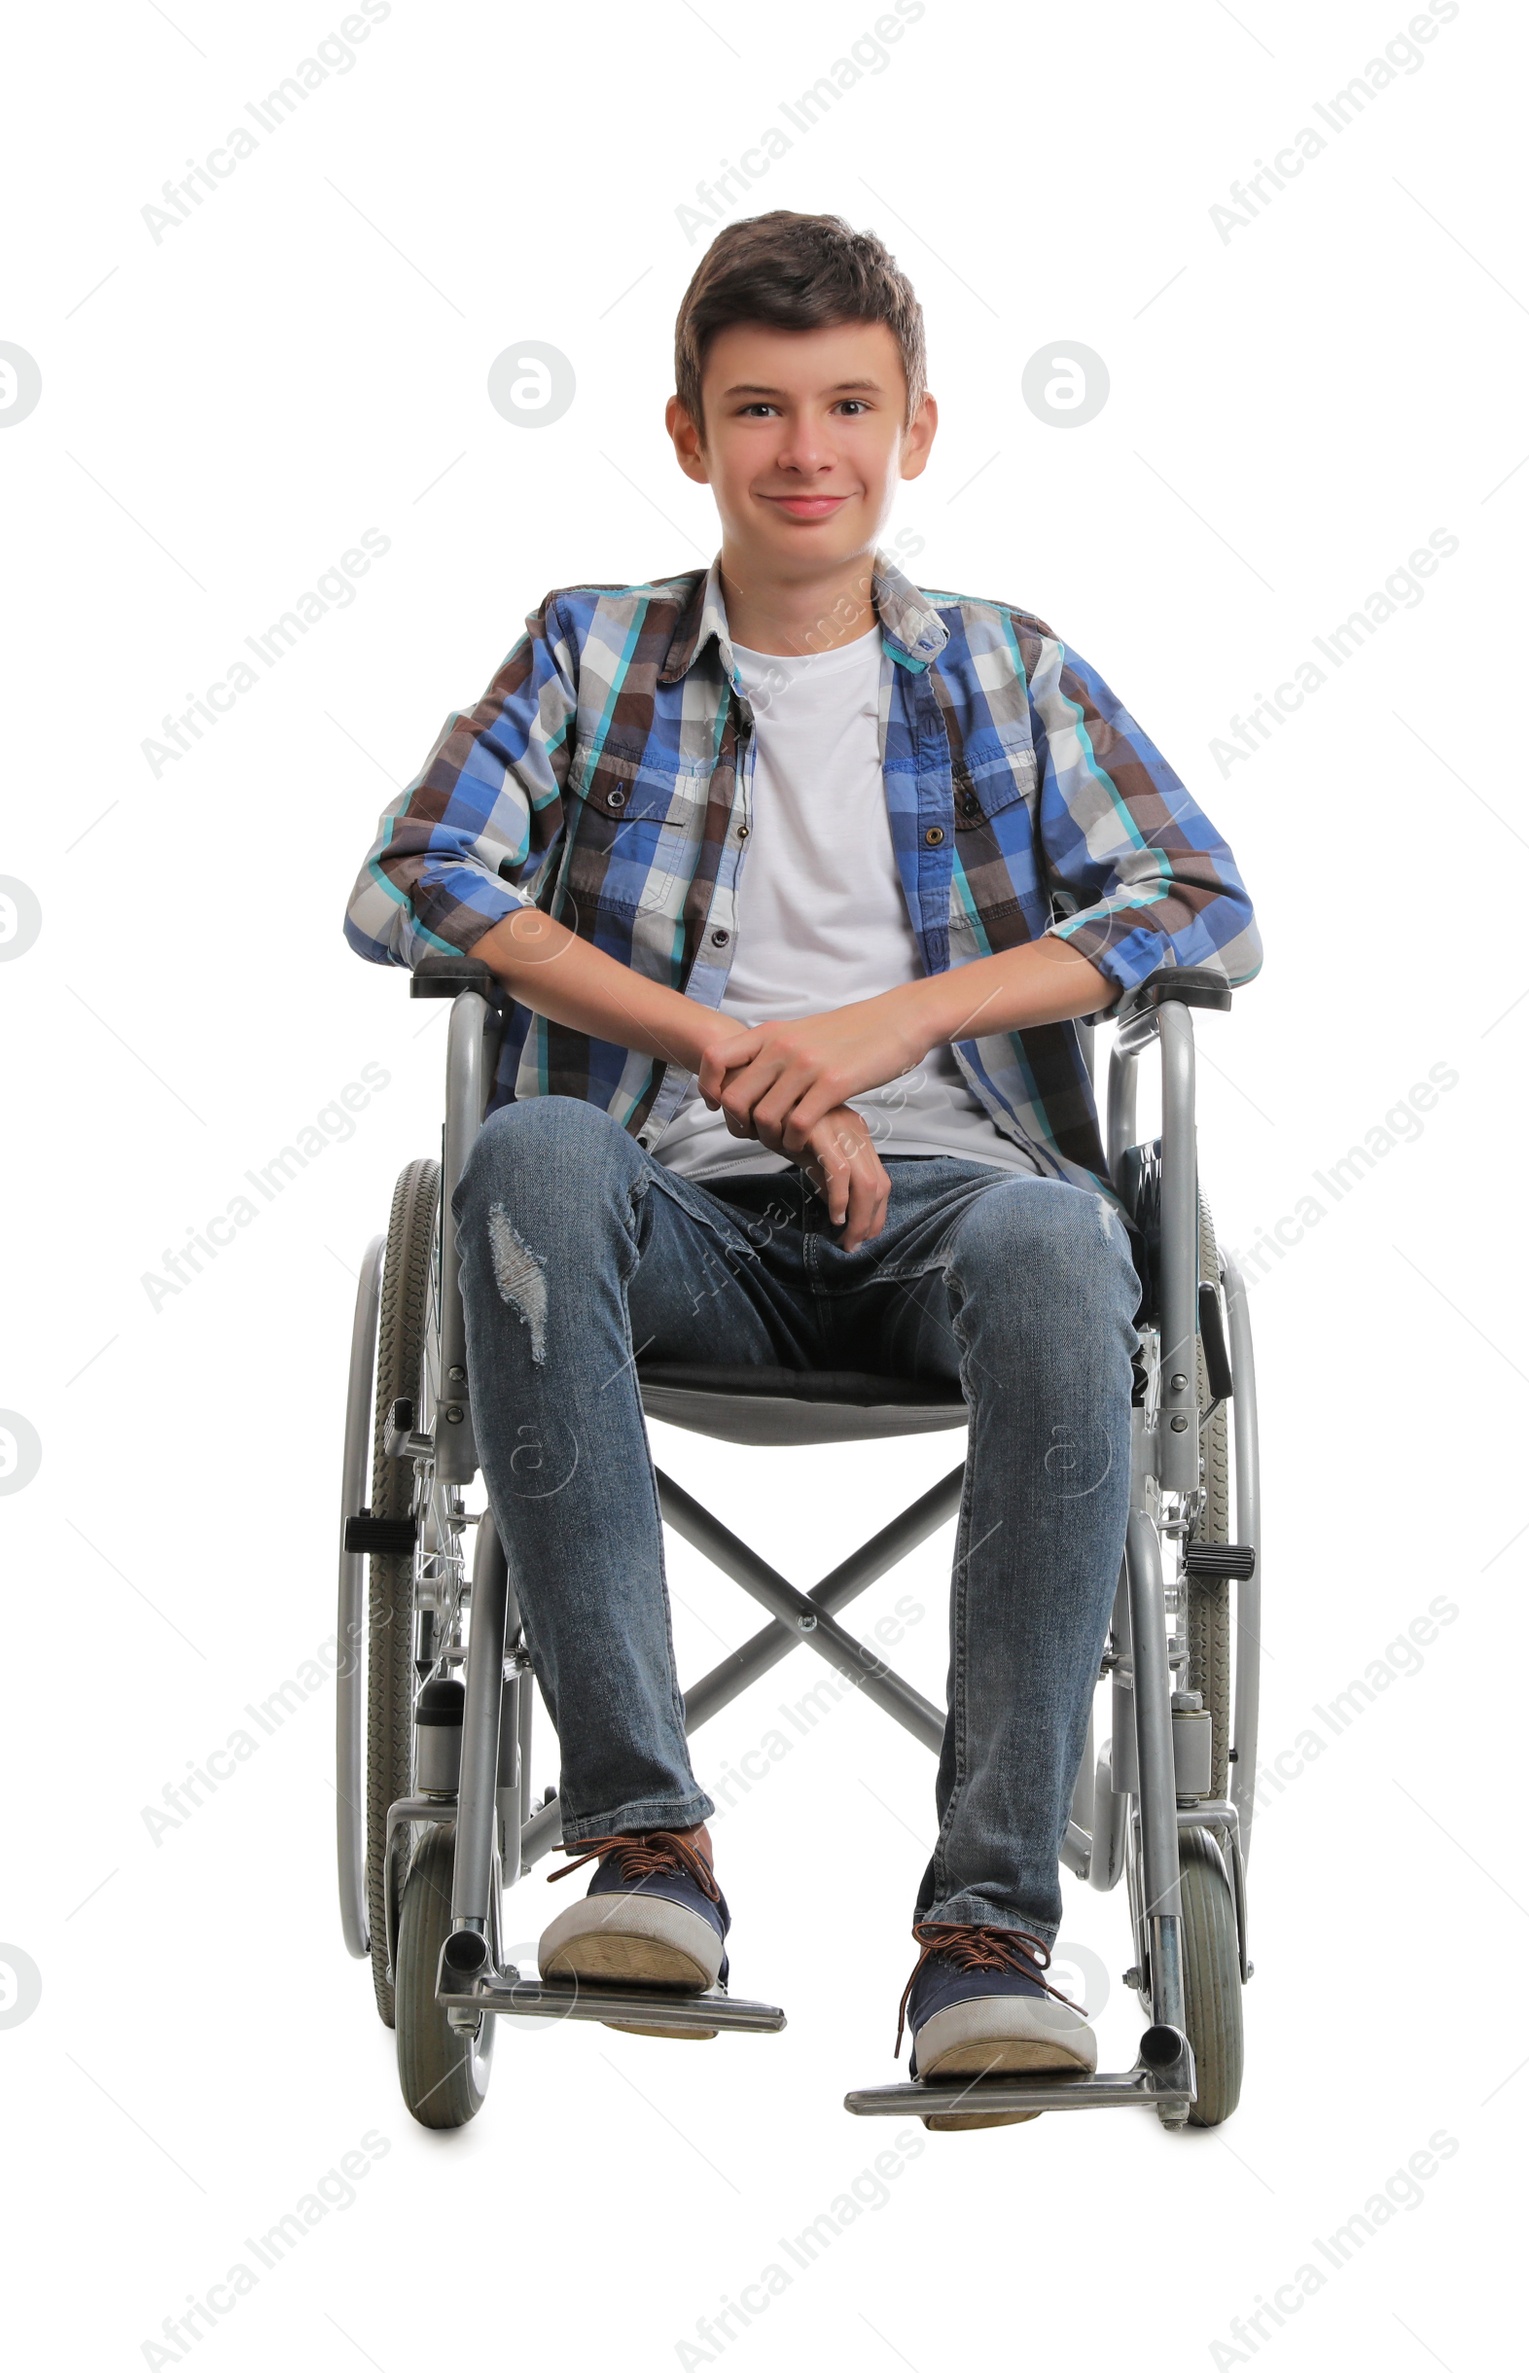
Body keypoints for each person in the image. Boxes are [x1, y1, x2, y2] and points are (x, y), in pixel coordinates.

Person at [344, 209, 1260, 2128]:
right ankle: (647, 1850)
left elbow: (1200, 897)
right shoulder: (593, 652)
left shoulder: (1006, 672)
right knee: (531, 1151)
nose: (804, 449)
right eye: (759, 408)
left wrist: (881, 1034)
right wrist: (728, 1054)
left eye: (848, 404)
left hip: (959, 1212)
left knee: (1053, 1238)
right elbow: (421, 878)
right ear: (690, 435)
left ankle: (991, 1939)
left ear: (916, 427)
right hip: (674, 1219)